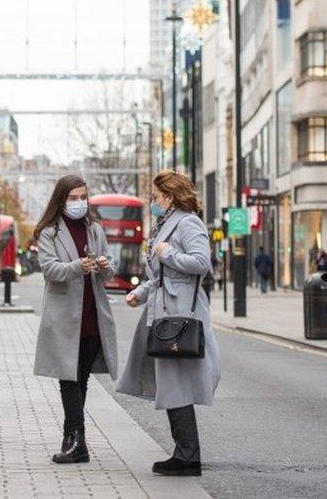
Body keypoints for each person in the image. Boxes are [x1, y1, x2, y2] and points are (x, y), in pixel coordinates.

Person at [117, 170, 220, 477]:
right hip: (164, 310)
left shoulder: (188, 222)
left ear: (171, 197)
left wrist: (170, 252)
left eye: (157, 196)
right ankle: (184, 452)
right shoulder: (166, 223)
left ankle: (188, 455)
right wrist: (139, 292)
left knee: (176, 382)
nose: (153, 201)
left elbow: (203, 263)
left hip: (180, 314)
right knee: (171, 382)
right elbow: (160, 277)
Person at [33, 174, 118, 465]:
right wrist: (77, 266)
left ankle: (75, 441)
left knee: (80, 380)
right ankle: (75, 440)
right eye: (73, 198)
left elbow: (108, 272)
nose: (79, 203)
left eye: (83, 197)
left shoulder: (94, 229)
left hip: (93, 315)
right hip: (64, 319)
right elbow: (49, 269)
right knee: (68, 379)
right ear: (61, 199)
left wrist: (106, 266)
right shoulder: (49, 232)